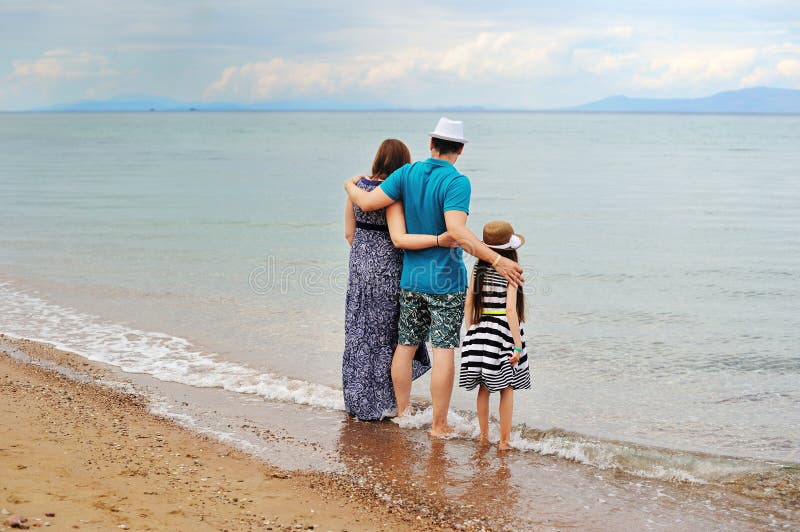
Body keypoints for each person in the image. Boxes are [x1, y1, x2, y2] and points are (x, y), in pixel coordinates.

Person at [344, 117, 524, 437]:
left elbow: (368, 202)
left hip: (411, 277)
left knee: (406, 345)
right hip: (445, 279)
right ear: (461, 149)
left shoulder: (406, 173)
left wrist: (348, 185)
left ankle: (403, 413)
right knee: (443, 351)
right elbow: (456, 231)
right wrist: (497, 259)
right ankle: (439, 426)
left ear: (431, 144)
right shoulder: (457, 182)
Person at [343, 138, 451, 421]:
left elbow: (348, 233)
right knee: (388, 335)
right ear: (402, 163)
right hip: (388, 268)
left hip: (359, 265)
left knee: (359, 331)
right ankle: (384, 404)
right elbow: (398, 238)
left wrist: (363, 258)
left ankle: (357, 401)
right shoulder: (393, 194)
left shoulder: (358, 189)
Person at [459, 221, 531, 450]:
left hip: (481, 330)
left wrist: (471, 331)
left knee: (484, 387)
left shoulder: (478, 270)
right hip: (503, 333)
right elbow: (510, 309)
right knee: (506, 387)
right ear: (512, 249)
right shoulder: (513, 271)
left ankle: (483, 436)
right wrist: (517, 346)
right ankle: (504, 441)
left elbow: (469, 302)